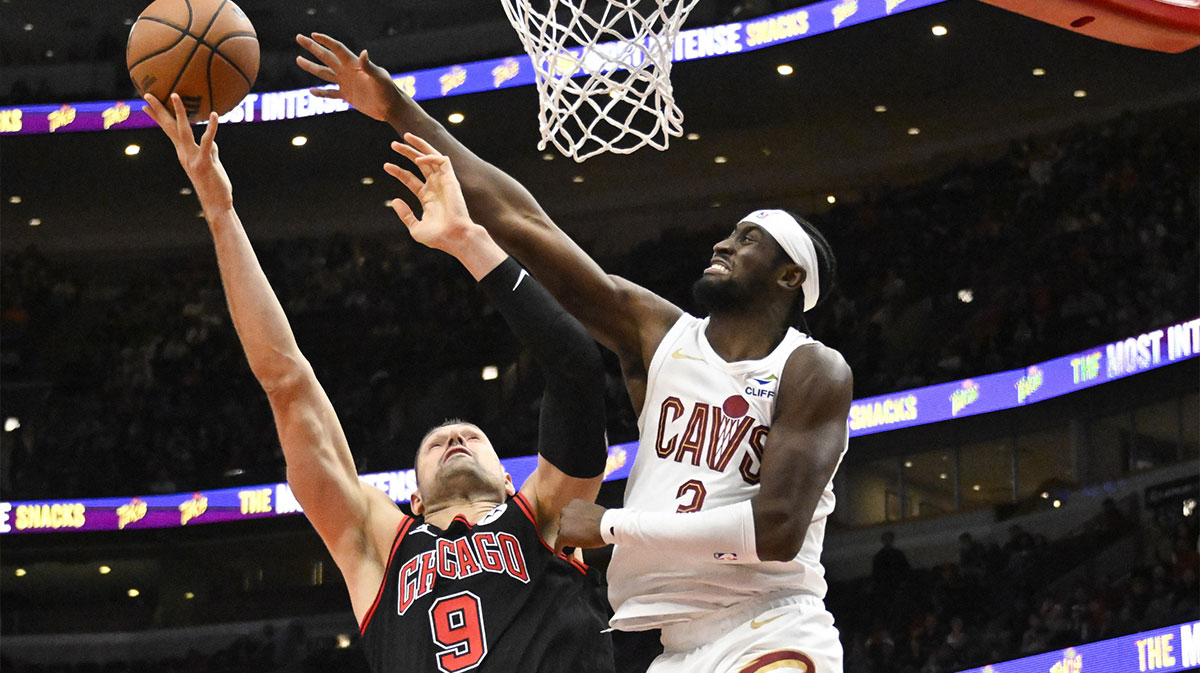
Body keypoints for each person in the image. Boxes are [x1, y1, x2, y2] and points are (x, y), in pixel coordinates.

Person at [297, 34, 852, 673]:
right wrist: (399, 108)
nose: (724, 245)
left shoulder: (811, 368)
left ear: (789, 278)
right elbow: (528, 223)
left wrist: (613, 526)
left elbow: (776, 530)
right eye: (729, 232)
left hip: (771, 624)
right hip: (676, 648)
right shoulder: (659, 336)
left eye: (749, 239)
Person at [142, 92, 614, 673]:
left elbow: (574, 365)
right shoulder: (378, 543)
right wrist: (221, 212)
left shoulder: (547, 513)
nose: (456, 439)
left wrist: (469, 240)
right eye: (437, 443)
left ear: (508, 474)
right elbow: (286, 379)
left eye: (471, 438)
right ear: (411, 500)